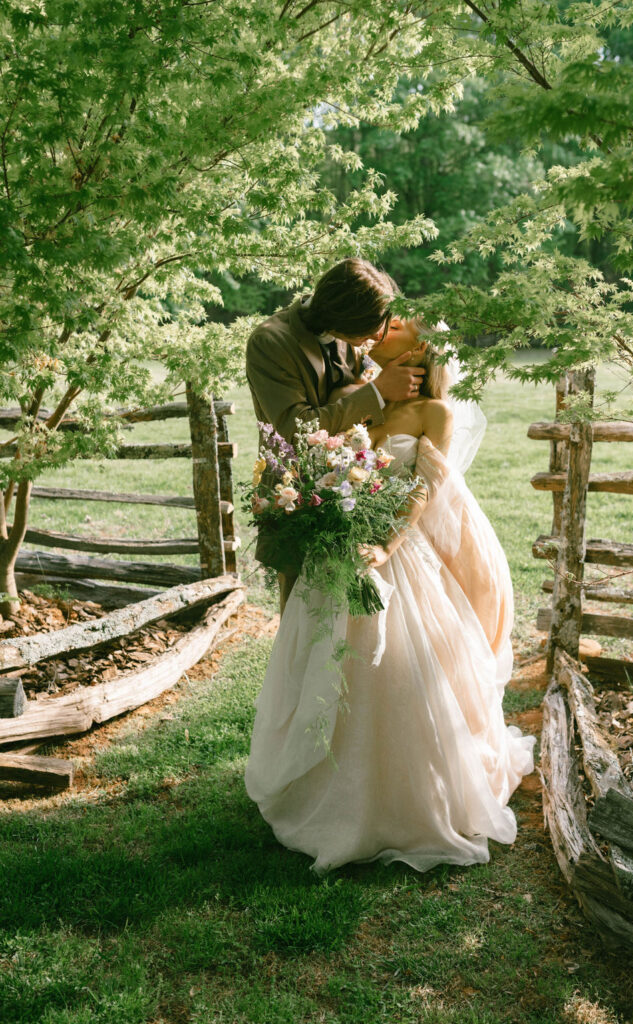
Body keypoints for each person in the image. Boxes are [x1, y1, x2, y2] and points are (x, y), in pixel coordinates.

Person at [245, 317, 536, 873]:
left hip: (400, 547)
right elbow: (331, 454)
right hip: (341, 545)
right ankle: (324, 784)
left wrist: (387, 546)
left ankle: (406, 795)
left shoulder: (435, 412)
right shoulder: (360, 393)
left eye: (401, 323)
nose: (386, 325)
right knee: (328, 660)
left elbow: (423, 488)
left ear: (422, 348)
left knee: (402, 666)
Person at [245, 258, 425, 614]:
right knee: (302, 612)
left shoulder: (354, 337)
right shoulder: (270, 342)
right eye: (372, 328)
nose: (379, 336)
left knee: (353, 618)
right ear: (342, 318)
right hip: (296, 498)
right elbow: (295, 427)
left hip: (357, 490)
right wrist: (377, 392)